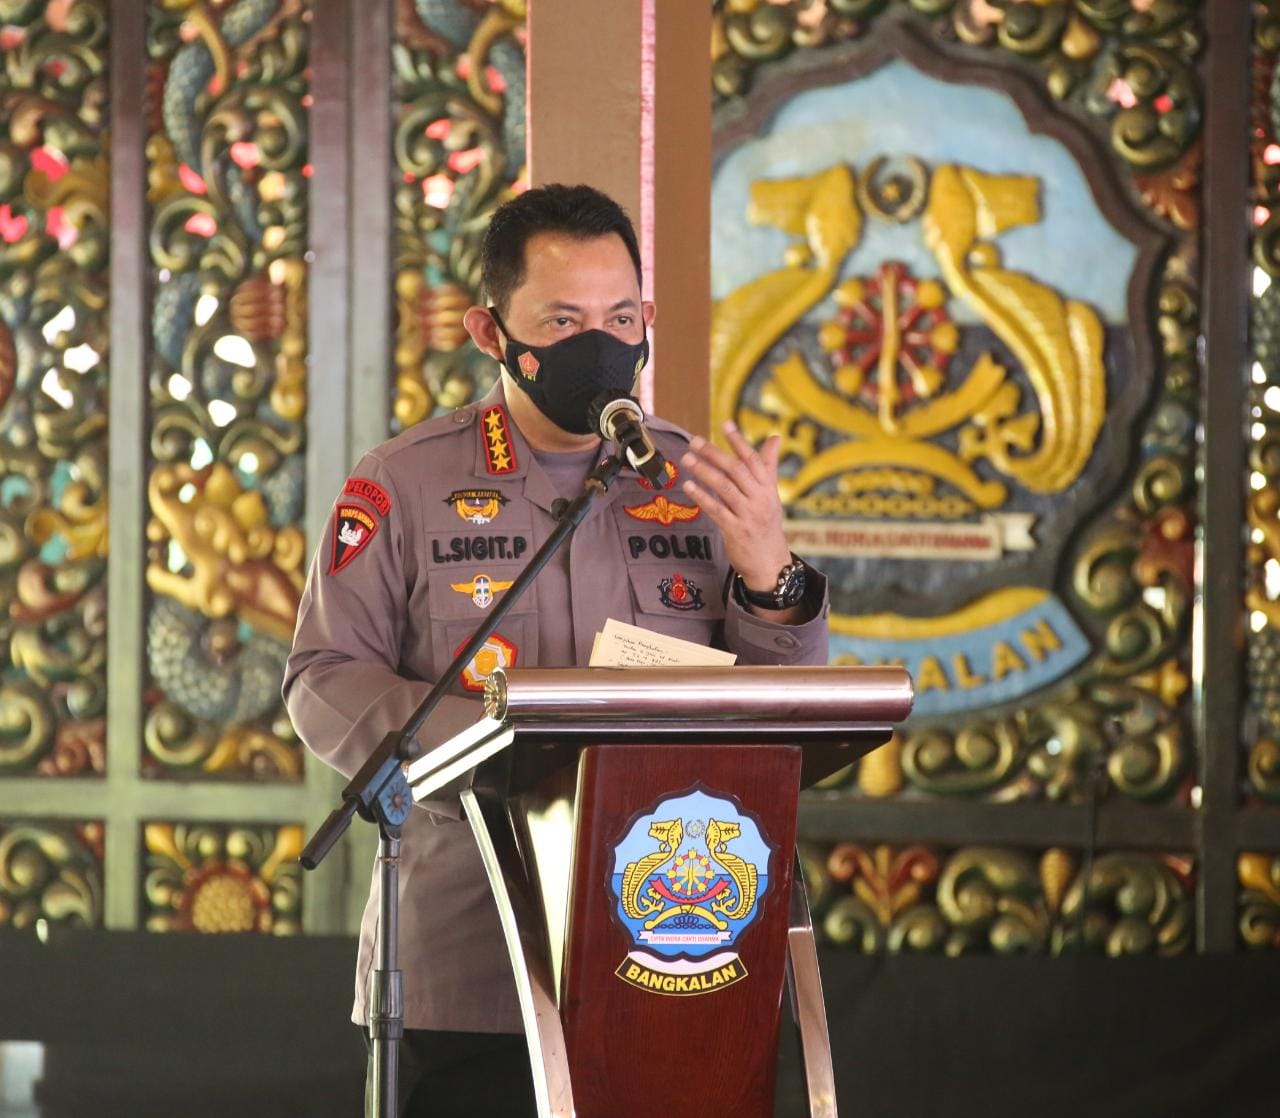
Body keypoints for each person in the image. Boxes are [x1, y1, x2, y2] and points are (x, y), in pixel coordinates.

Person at [283, 183, 830, 1117]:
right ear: (491, 334)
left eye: (620, 318)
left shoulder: (696, 483)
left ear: (648, 320)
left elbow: (780, 724)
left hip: (673, 947)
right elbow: (323, 679)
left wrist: (771, 578)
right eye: (564, 322)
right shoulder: (405, 482)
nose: (601, 346)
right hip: (472, 961)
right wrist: (507, 749)